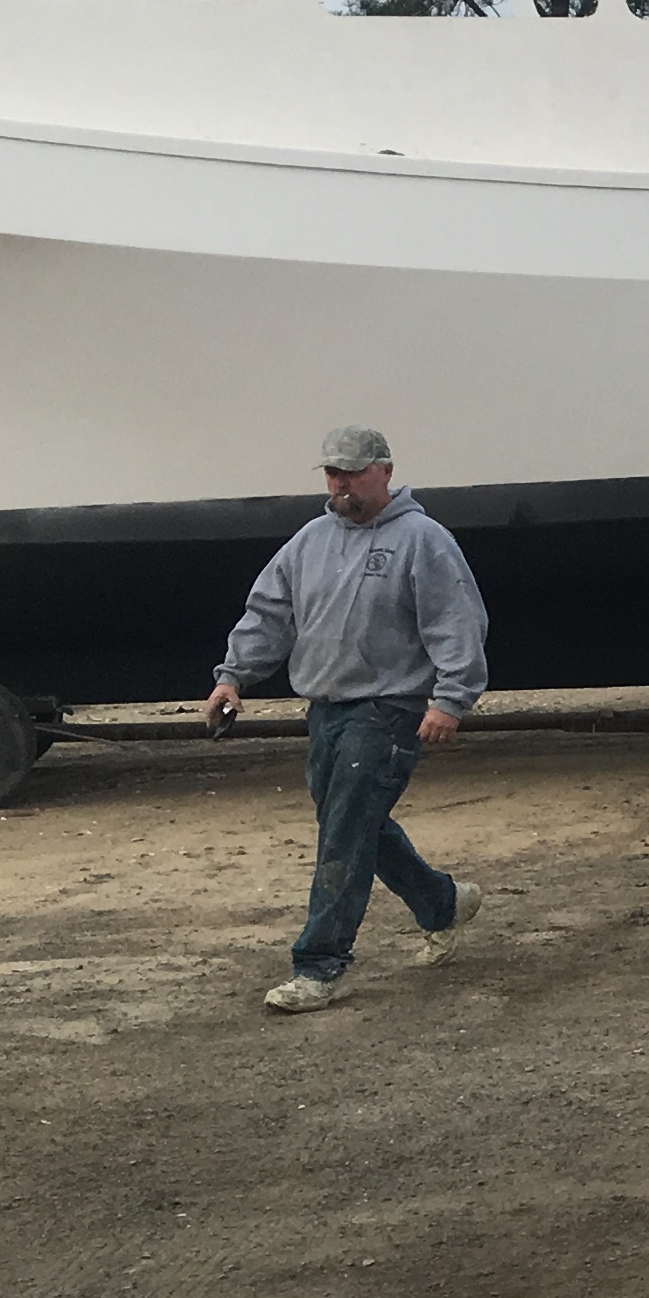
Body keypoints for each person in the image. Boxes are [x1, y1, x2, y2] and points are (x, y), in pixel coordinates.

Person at [205, 426, 491, 1014]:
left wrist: (450, 699)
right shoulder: (310, 541)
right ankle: (441, 902)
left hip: (389, 709)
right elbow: (270, 611)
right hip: (326, 710)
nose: (342, 486)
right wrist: (232, 675)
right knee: (354, 824)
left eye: (353, 474)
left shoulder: (422, 540)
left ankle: (317, 965)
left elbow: (456, 621)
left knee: (344, 833)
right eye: (333, 475)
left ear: (384, 471)